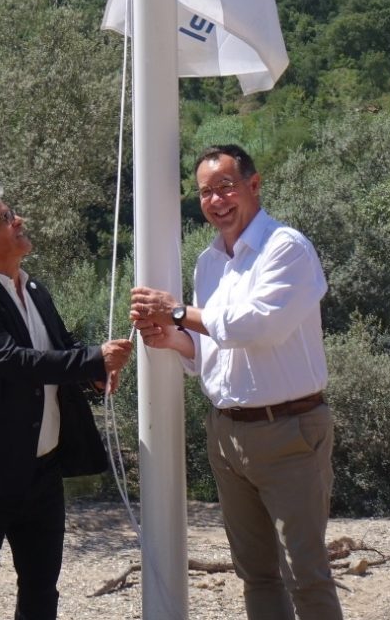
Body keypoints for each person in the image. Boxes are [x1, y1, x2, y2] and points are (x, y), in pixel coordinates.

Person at [130, 144, 342, 620]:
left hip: (290, 432)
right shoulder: (209, 263)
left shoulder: (286, 248)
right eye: (206, 192)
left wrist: (179, 311)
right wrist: (174, 338)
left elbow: (256, 327)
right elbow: (215, 351)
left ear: (253, 184)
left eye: (226, 186)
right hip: (227, 434)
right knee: (255, 574)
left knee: (305, 573)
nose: (217, 200)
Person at [0, 186, 132, 620]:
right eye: (5, 217)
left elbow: (58, 348)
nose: (18, 220)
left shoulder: (35, 288)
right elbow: (14, 361)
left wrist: (94, 374)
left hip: (41, 472)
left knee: (42, 589)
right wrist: (92, 358)